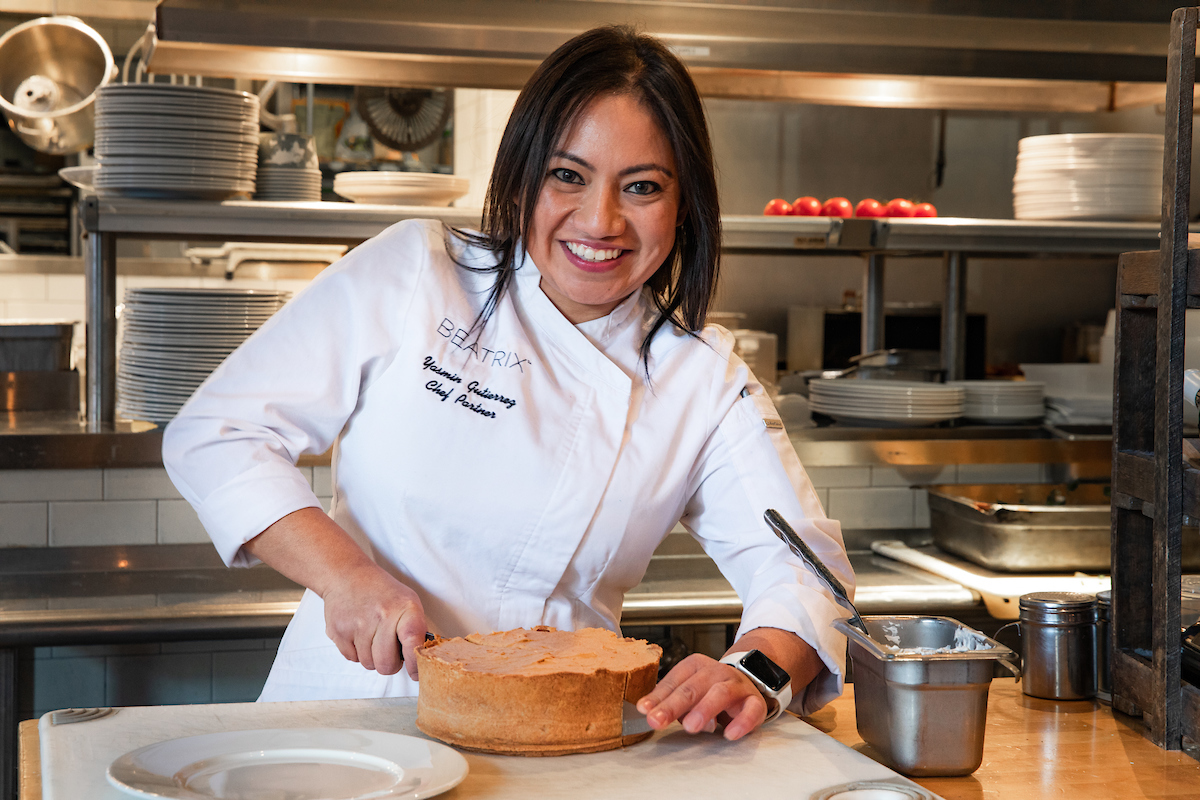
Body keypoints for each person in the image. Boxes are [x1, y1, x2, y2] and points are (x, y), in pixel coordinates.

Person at [163, 25, 854, 742]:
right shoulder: (418, 273)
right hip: (354, 714)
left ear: (684, 207)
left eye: (642, 186)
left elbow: (808, 574)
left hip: (561, 739)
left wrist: (755, 672)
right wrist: (346, 579)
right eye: (568, 176)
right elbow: (217, 433)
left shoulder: (700, 380)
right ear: (522, 175)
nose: (600, 221)